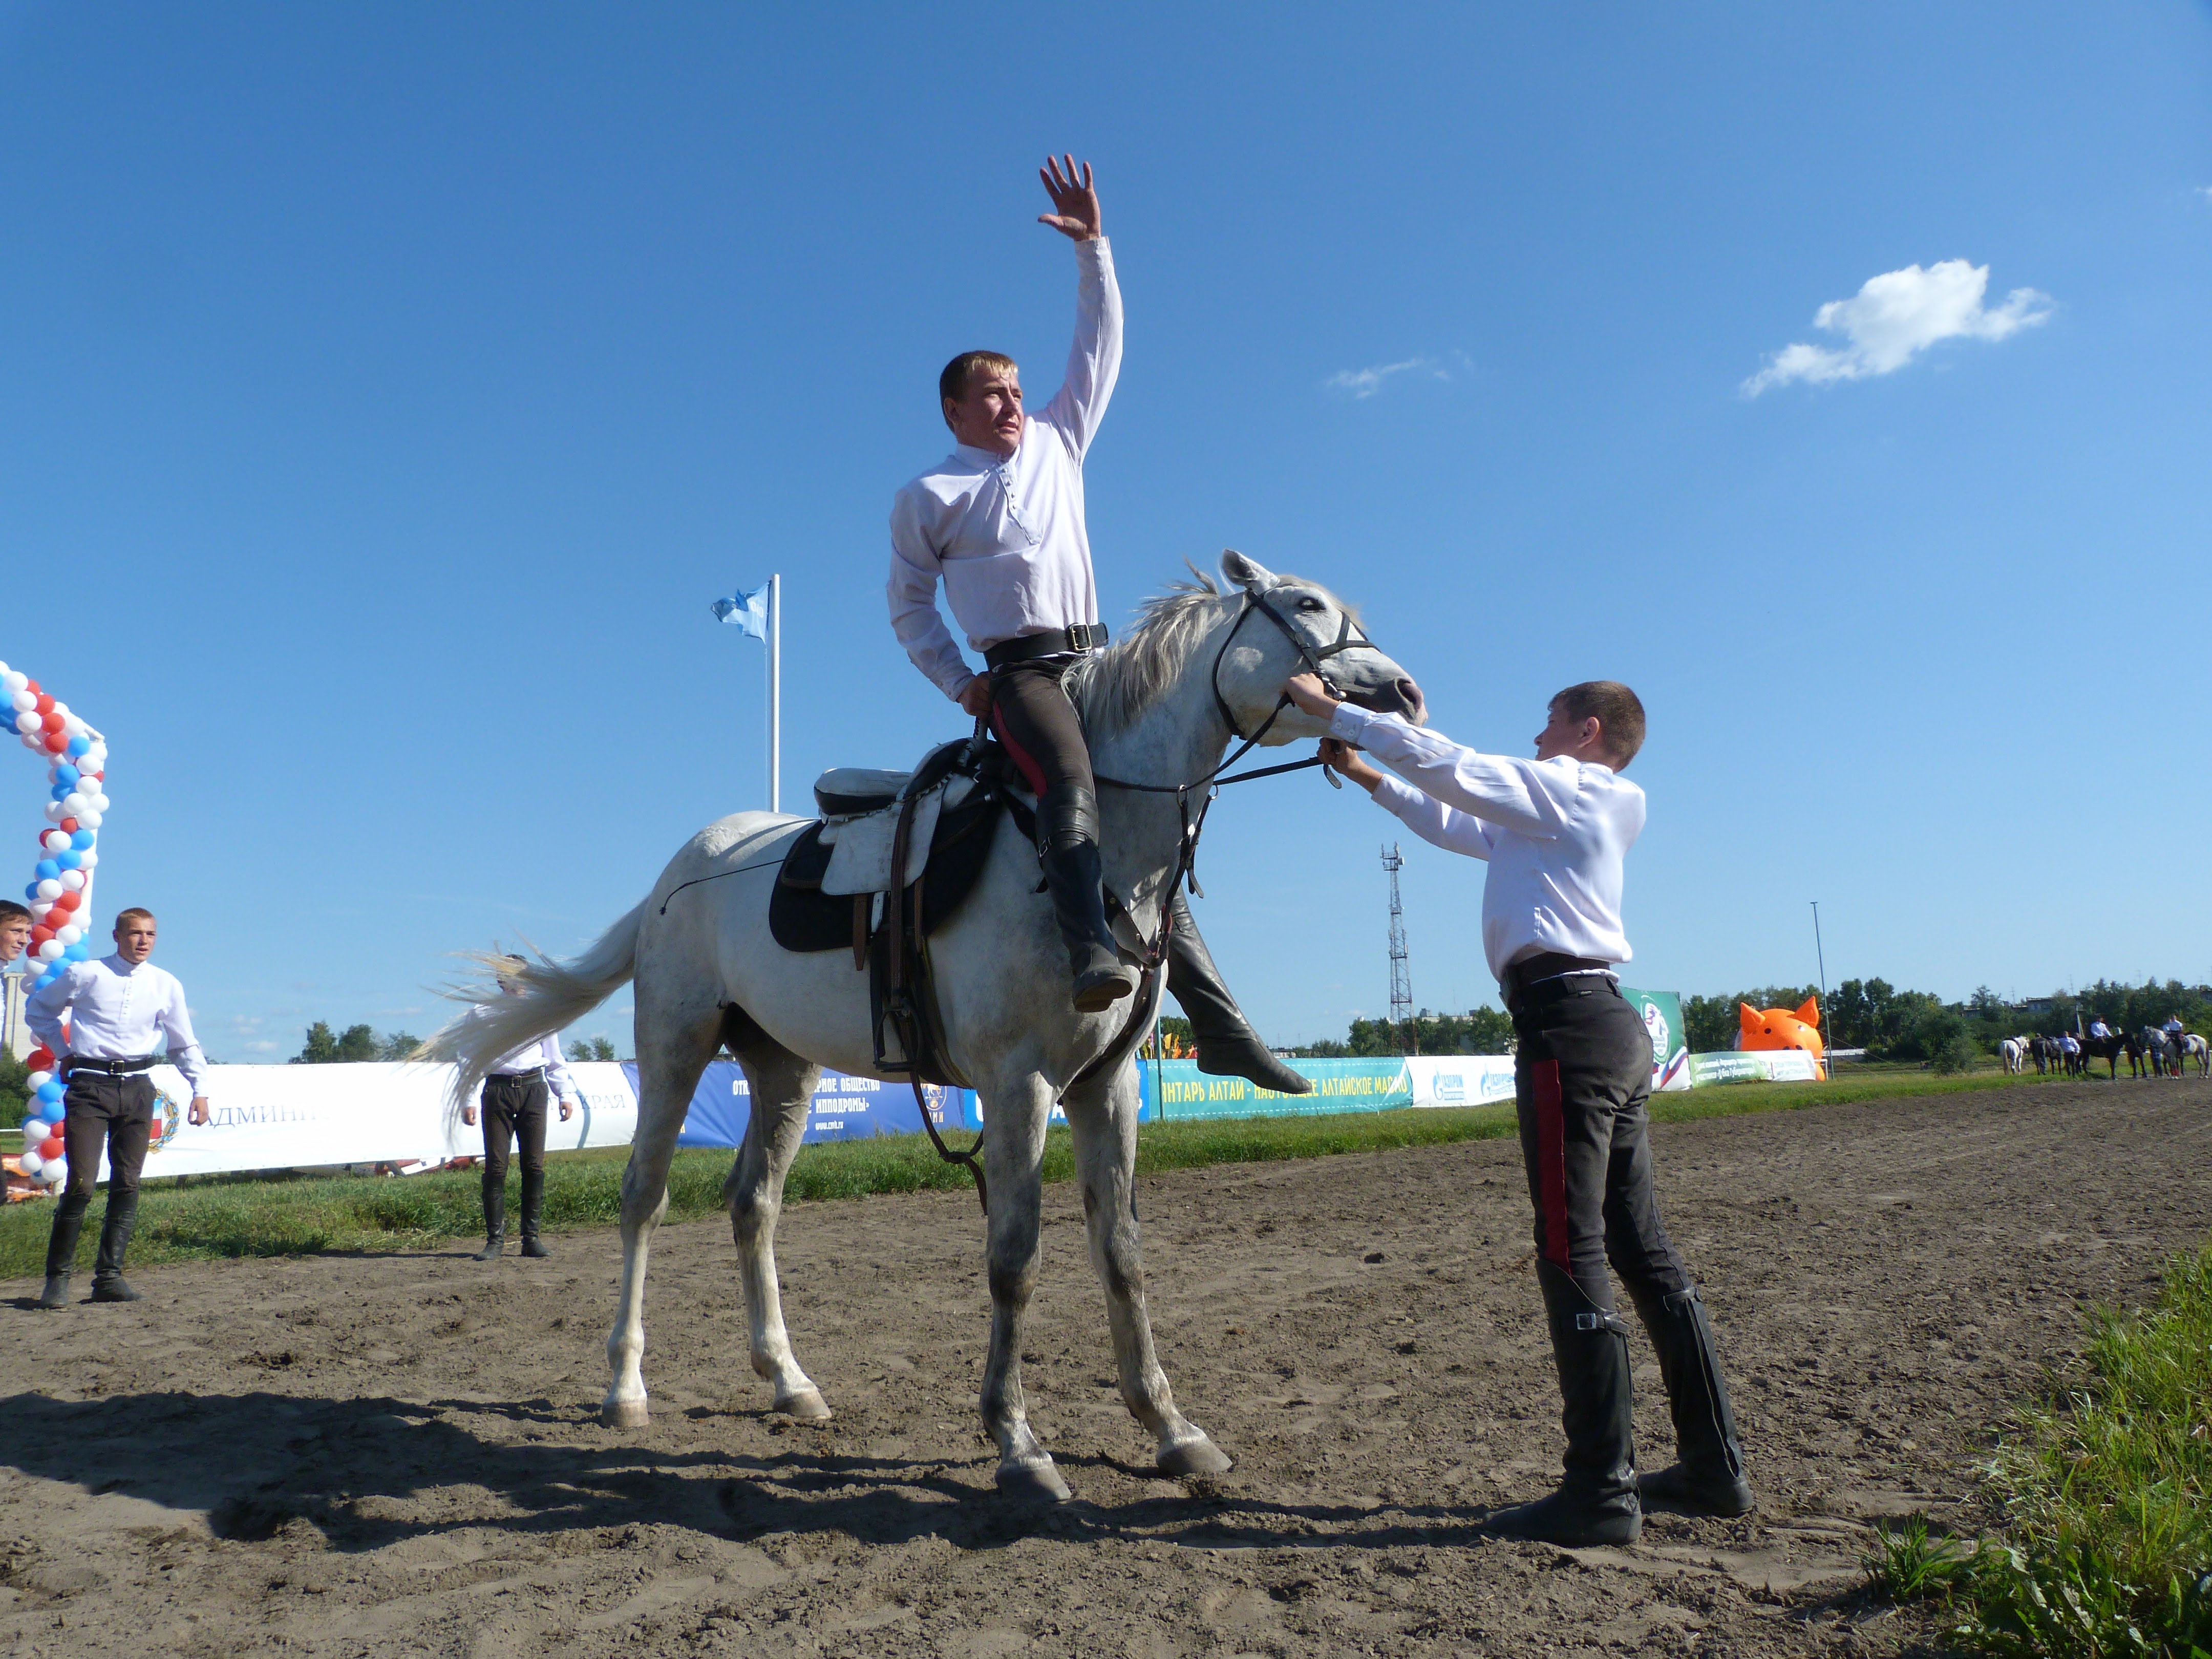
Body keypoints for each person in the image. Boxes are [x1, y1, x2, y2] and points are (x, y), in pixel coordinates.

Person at [1293, 674, 1751, 1547]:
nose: (1535, 740)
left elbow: (1456, 767)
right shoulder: (1562, 812)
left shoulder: (1573, 790)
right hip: (1600, 1023)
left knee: (1572, 1248)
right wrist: (1368, 774)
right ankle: (1712, 1466)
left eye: (1547, 726)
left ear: (1587, 730)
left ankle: (1600, 1492)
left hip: (1566, 1031)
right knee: (1639, 1247)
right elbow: (1456, 819)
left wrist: (1333, 709)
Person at [885, 155, 1305, 1094]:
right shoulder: (928, 494)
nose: (1013, 403)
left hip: (1098, 659)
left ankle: (1221, 1026)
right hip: (1021, 675)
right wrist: (962, 682)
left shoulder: (1059, 439)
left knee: (1152, 821)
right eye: (993, 394)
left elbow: (1099, 346)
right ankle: (1088, 952)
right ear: (955, 410)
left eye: (1016, 389)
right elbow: (908, 606)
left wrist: (1094, 251)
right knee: (1071, 780)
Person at [25, 908, 211, 1309]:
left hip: (139, 1088)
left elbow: (182, 1041)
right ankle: (57, 1280)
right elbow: (39, 1009)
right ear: (117, 936)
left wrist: (200, 1088)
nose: (143, 941)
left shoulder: (166, 984)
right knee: (82, 1183)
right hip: (90, 1086)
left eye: (150, 934)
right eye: (135, 933)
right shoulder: (86, 974)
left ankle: (109, 1278)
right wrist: (63, 1051)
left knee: (128, 1183)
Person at [457, 956, 579, 1260]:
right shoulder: (482, 1013)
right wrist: (469, 1098)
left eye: (526, 976)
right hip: (497, 1090)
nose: (522, 982)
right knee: (496, 1166)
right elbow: (469, 1058)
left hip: (534, 1089)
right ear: (501, 980)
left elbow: (554, 1057)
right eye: (514, 976)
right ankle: (495, 1241)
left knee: (534, 1165)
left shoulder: (541, 1012)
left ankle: (531, 1239)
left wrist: (564, 1093)